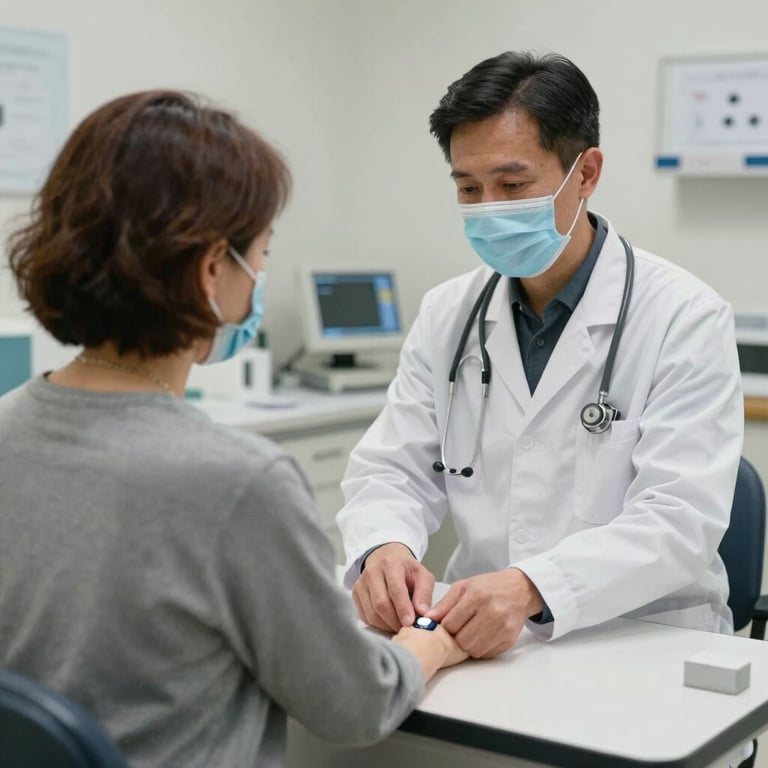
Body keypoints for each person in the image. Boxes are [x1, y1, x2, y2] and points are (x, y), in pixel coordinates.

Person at [0, 90, 466, 768]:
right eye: (261, 255)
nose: (258, 281)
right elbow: (354, 704)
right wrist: (431, 641)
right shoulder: (236, 481)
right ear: (212, 268)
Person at [338, 51, 744, 660]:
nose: (488, 208)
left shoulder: (684, 315)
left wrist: (533, 586)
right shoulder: (448, 313)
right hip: (475, 633)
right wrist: (384, 547)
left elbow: (681, 518)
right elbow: (392, 469)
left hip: (643, 638)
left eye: (513, 185)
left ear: (585, 174)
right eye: (469, 188)